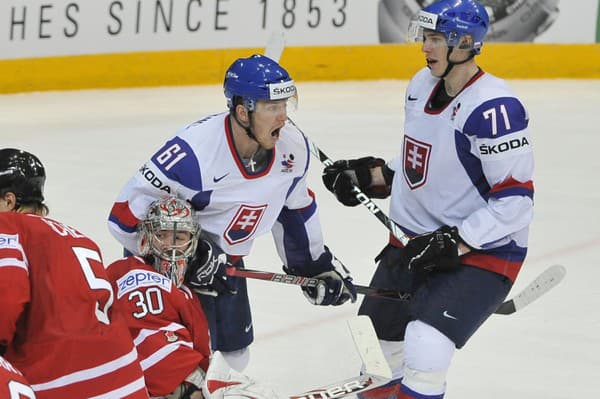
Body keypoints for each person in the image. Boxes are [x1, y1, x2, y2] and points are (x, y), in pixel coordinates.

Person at [322, 1, 534, 398]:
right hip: (413, 245)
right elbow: (421, 162)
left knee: (426, 346)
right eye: (425, 37)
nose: (425, 47)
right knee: (377, 357)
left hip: (481, 253)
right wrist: (371, 177)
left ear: (466, 43)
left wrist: (456, 241)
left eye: (436, 39)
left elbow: (516, 202)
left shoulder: (493, 109)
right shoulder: (421, 85)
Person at [107, 53, 357, 372]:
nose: (283, 118)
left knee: (236, 354)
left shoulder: (293, 148)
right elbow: (123, 217)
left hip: (228, 265)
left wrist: (315, 267)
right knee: (177, 365)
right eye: (272, 108)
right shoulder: (194, 154)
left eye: (284, 106)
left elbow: (295, 211)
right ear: (242, 112)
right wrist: (181, 258)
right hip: (171, 273)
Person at [0, 148, 150, 398]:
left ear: (9, 201)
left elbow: (6, 296)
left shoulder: (8, 227)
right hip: (127, 379)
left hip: (66, 383)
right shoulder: (81, 238)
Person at [107, 196, 280, 399]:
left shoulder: (185, 293)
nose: (171, 246)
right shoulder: (135, 275)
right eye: (163, 235)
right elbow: (155, 351)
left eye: (179, 237)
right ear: (146, 239)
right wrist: (196, 385)